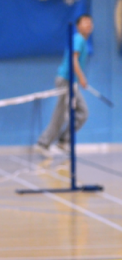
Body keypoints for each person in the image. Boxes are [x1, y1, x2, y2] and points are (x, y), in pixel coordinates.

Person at [35, 14, 93, 156]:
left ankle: (63, 140)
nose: (88, 25)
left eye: (90, 23)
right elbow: (74, 61)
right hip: (66, 80)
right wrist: (82, 78)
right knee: (61, 113)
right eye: (85, 23)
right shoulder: (78, 39)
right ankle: (44, 142)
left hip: (72, 82)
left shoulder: (82, 41)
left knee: (82, 112)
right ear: (78, 26)